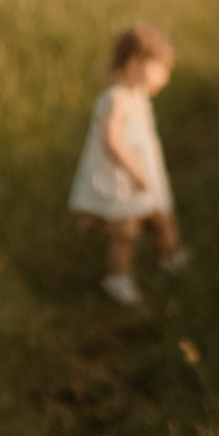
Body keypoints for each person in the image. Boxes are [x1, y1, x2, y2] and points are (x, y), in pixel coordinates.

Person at [67, 21, 182, 306]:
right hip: (123, 179)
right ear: (134, 63)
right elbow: (111, 140)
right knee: (126, 232)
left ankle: (171, 258)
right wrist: (135, 170)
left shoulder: (137, 96)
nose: (165, 78)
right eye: (161, 70)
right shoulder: (115, 99)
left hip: (143, 175)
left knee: (161, 216)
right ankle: (118, 279)